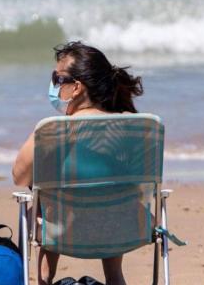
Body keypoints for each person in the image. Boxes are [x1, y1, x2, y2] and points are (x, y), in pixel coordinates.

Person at [12, 41, 144, 285]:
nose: (54, 87)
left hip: (62, 230)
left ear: (76, 88)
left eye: (58, 79)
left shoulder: (53, 131)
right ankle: (115, 278)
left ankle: (44, 278)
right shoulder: (131, 127)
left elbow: (19, 175)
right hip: (122, 226)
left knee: (45, 202)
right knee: (109, 195)